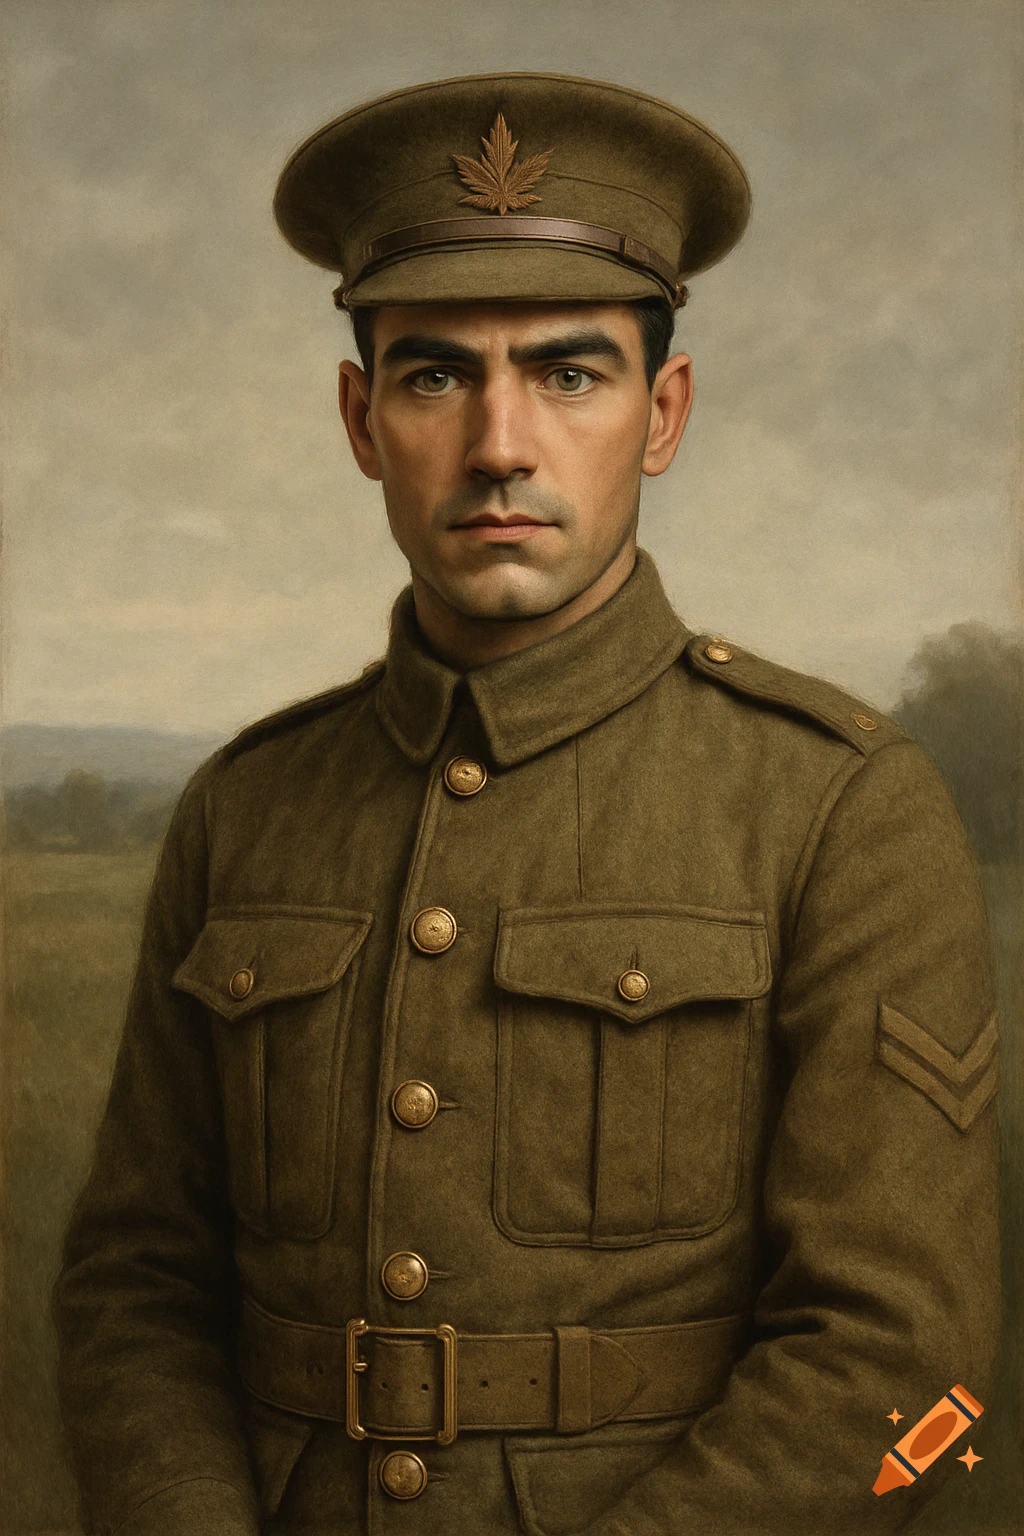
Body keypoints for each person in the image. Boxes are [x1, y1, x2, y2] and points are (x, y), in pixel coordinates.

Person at [54, 72, 1000, 1536]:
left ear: (663, 411)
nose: (502, 444)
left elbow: (903, 1367)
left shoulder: (839, 808)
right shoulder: (245, 809)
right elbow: (136, 1285)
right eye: (436, 374)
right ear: (363, 420)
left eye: (569, 373)